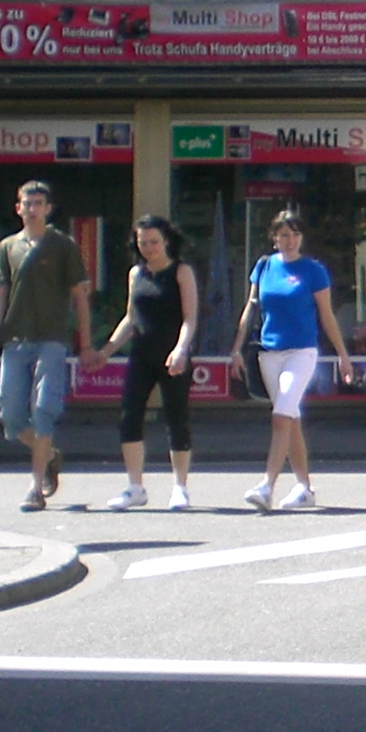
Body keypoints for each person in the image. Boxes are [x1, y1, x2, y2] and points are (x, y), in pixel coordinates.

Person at [0, 178, 93, 513]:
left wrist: (85, 344)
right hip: (15, 341)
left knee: (44, 410)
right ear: (18, 208)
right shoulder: (8, 247)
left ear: (48, 208)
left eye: (38, 203)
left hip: (51, 340)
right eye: (27, 203)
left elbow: (79, 297)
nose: (32, 209)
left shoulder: (62, 245)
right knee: (10, 414)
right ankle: (50, 455)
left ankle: (36, 487)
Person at [227, 210, 358, 511]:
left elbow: (326, 315)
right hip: (269, 353)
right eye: (284, 234)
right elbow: (250, 309)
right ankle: (304, 487)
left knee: (281, 414)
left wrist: (343, 355)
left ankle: (266, 486)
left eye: (295, 234)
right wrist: (236, 349)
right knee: (290, 418)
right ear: (274, 238)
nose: (290, 240)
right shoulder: (264, 267)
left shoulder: (313, 271)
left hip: (302, 352)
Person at [98, 214, 200, 510]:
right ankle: (135, 487)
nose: (149, 248)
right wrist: (106, 350)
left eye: (154, 242)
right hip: (141, 355)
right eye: (143, 242)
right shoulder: (136, 274)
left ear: (166, 241)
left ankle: (180, 487)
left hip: (173, 356)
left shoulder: (181, 272)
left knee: (176, 417)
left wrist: (181, 349)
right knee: (129, 416)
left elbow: (190, 318)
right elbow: (131, 318)